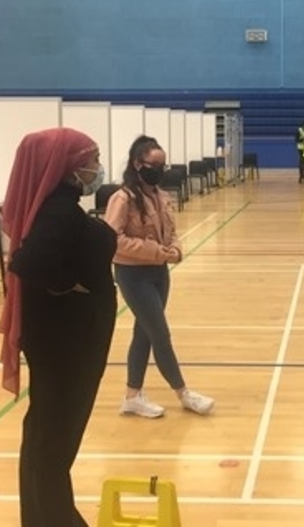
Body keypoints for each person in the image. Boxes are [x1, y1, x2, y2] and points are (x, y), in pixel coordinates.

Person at [0, 128, 117, 526]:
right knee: (54, 440)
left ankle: (42, 518)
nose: (97, 167)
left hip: (64, 341)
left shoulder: (58, 207)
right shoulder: (59, 211)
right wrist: (71, 284)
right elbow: (29, 264)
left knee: (45, 436)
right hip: (66, 345)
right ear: (68, 168)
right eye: (92, 159)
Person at [104, 135, 214, 418]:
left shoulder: (161, 196)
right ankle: (184, 393)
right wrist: (154, 251)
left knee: (144, 333)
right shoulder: (122, 199)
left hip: (159, 273)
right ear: (137, 164)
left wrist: (175, 248)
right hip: (133, 274)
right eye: (153, 164)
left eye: (162, 165)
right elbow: (112, 239)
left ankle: (132, 396)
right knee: (160, 334)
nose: (159, 170)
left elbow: (171, 232)